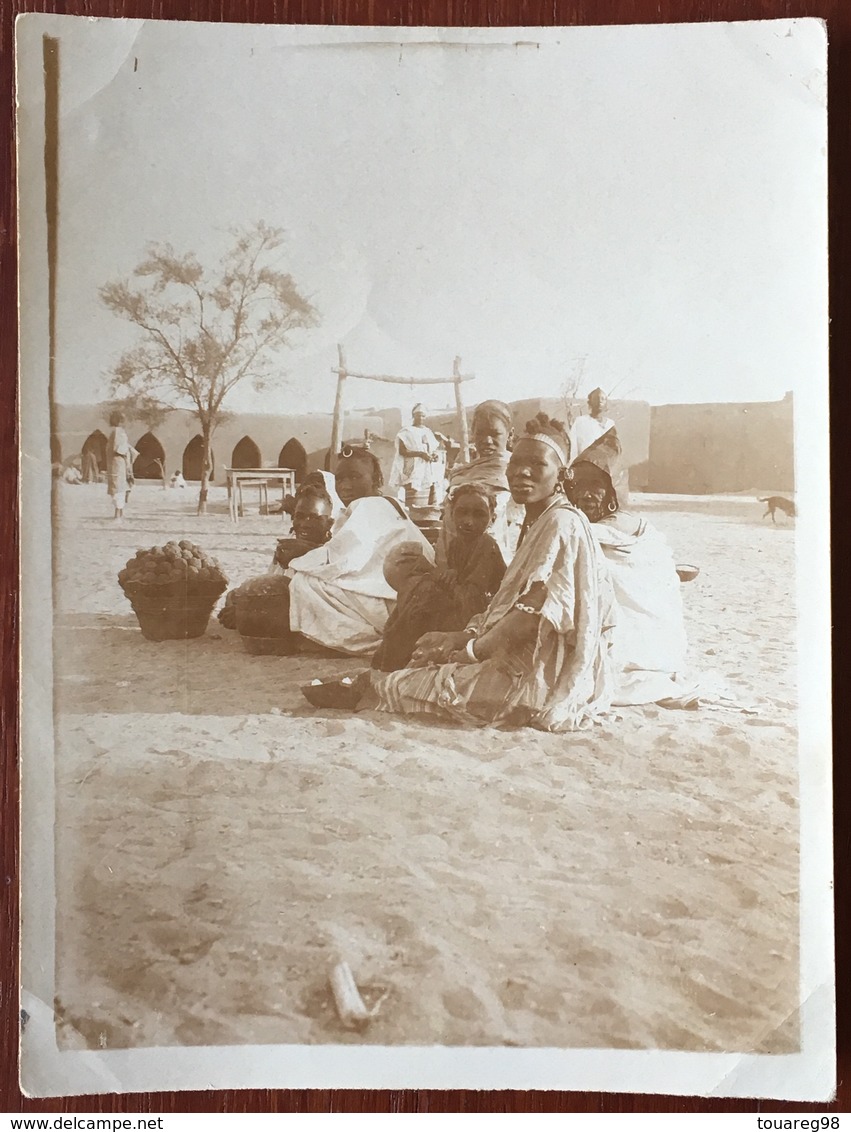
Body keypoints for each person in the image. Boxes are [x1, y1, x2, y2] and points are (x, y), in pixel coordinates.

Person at [304, 415, 616, 731]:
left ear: (561, 474)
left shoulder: (561, 524)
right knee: (428, 663)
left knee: (422, 686)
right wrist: (461, 637)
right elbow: (509, 607)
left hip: (538, 673)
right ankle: (370, 684)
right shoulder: (538, 521)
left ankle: (368, 689)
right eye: (517, 462)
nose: (522, 471)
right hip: (516, 652)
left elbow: (530, 616)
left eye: (538, 464)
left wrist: (466, 648)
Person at [566, 429, 690, 705]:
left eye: (596, 486)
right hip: (663, 652)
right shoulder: (590, 527)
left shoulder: (615, 527)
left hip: (643, 645)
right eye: (579, 485)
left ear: (613, 491)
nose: (585, 495)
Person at [286, 445, 434, 654]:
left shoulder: (369, 506)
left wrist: (298, 558)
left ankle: (348, 639)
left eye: (355, 477)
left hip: (394, 601)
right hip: (402, 595)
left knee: (303, 581)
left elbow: (342, 562)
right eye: (340, 479)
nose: (345, 485)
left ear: (376, 481)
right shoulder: (381, 503)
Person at [372, 484, 507, 672]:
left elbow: (471, 602)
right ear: (451, 514)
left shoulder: (486, 546)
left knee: (424, 590)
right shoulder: (456, 545)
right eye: (462, 513)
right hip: (462, 611)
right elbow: (454, 586)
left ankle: (392, 661)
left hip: (482, 620)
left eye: (479, 514)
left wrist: (432, 573)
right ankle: (391, 656)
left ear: (492, 518)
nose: (469, 521)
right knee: (418, 588)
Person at [436, 399, 523, 566]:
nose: (487, 440)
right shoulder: (462, 471)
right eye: (480, 433)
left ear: (510, 435)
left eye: (495, 434)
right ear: (472, 433)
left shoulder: (515, 470)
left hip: (497, 558)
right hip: (453, 554)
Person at [389, 404, 443, 509]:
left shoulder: (428, 431)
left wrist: (434, 455)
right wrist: (420, 454)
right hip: (413, 467)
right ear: (413, 416)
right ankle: (413, 518)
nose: (420, 418)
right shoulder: (406, 431)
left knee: (429, 493)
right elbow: (402, 451)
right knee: (414, 495)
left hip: (427, 468)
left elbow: (432, 449)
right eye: (418, 415)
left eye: (423, 416)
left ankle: (426, 518)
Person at [272, 483, 335, 570]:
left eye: (314, 518)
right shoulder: (286, 552)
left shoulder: (337, 555)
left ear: (329, 523)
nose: (304, 524)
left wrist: (308, 552)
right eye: (299, 516)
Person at [105, 411, 137, 521]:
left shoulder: (119, 432)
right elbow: (118, 448)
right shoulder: (117, 432)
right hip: (118, 463)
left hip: (121, 463)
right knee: (118, 488)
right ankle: (117, 514)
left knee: (122, 487)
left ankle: (121, 512)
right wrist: (128, 450)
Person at [569, 388, 615, 464]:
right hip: (584, 466)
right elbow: (573, 447)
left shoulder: (610, 424)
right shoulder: (580, 422)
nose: (600, 401)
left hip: (604, 468)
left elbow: (614, 449)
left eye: (602, 399)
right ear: (590, 402)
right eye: (596, 399)